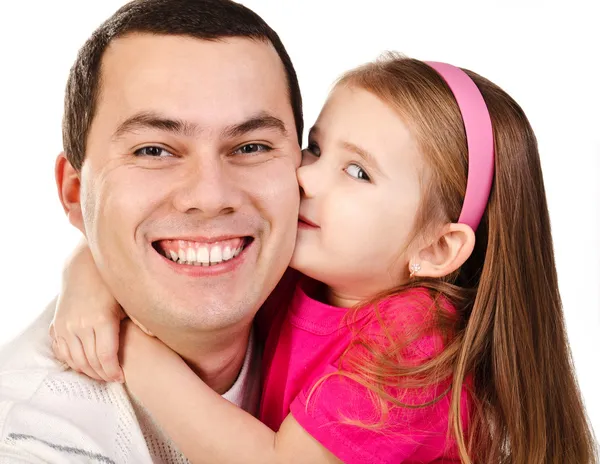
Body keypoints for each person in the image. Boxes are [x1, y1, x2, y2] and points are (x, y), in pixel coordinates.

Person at [52, 54, 599, 463]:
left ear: (435, 249)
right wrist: (87, 278)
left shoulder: (417, 339)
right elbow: (136, 238)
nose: (306, 177)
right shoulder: (304, 270)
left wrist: (131, 349)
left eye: (357, 172)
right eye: (315, 147)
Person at [0, 0, 304, 462]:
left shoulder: (365, 308)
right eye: (153, 151)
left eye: (251, 145)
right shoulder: (34, 439)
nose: (209, 195)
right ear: (74, 192)